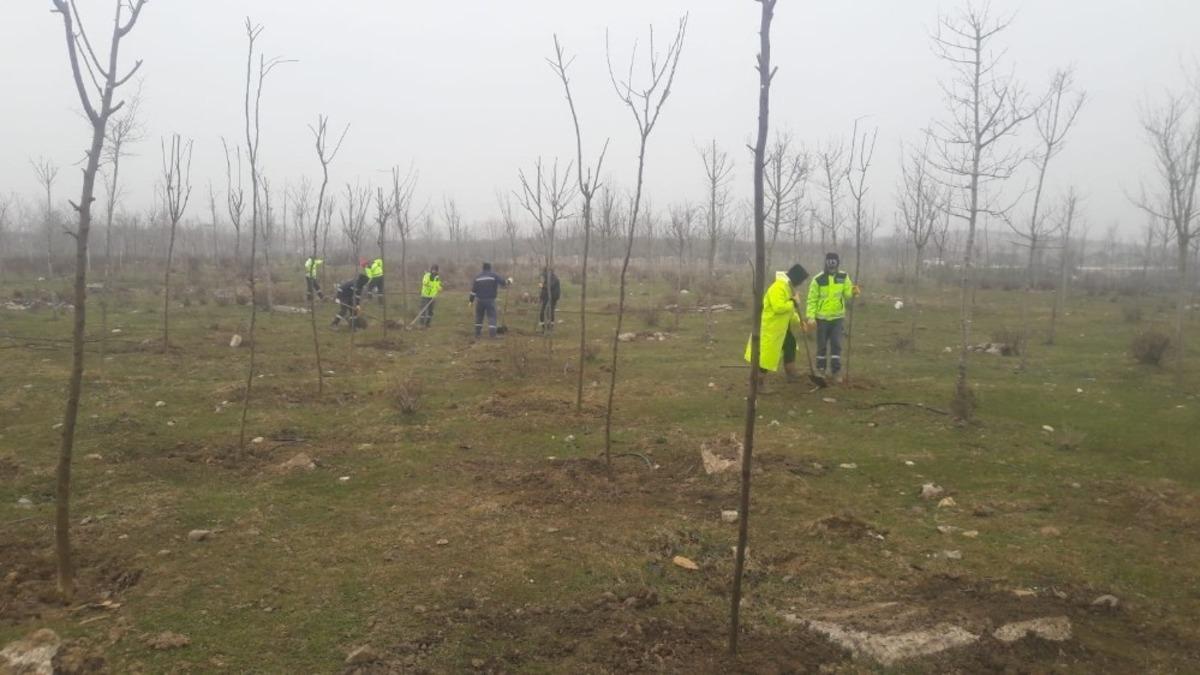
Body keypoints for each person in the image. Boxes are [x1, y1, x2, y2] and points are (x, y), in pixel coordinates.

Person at [745, 264, 809, 384]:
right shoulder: (778, 287)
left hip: (782, 328)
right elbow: (778, 308)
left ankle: (791, 372)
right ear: (796, 279)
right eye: (801, 281)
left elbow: (789, 311)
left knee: (790, 344)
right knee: (766, 356)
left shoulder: (788, 288)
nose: (801, 284)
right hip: (771, 328)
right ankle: (758, 383)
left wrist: (800, 322)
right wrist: (794, 303)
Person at [805, 252, 860, 383]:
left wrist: (853, 292)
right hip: (821, 319)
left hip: (837, 318)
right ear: (826, 262)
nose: (831, 265)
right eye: (829, 262)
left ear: (837, 263)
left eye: (834, 262)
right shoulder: (818, 279)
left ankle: (836, 371)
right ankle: (820, 370)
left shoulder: (843, 276)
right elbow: (811, 299)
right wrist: (811, 317)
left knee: (836, 345)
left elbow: (847, 295)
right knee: (821, 346)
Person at [468, 261, 509, 338]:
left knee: (479, 316)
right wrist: (509, 281)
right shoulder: (493, 275)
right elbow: (503, 283)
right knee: (492, 316)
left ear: (482, 268)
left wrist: (471, 301)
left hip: (479, 300)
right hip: (490, 300)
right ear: (490, 268)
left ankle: (477, 334)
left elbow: (473, 291)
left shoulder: (477, 277)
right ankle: (492, 335)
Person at [538, 267, 561, 332]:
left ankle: (550, 327)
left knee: (550, 312)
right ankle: (543, 327)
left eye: (545, 273)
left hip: (553, 297)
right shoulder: (547, 279)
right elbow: (544, 290)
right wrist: (541, 297)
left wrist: (542, 286)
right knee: (543, 312)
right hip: (546, 297)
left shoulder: (554, 279)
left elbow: (549, 287)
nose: (544, 275)